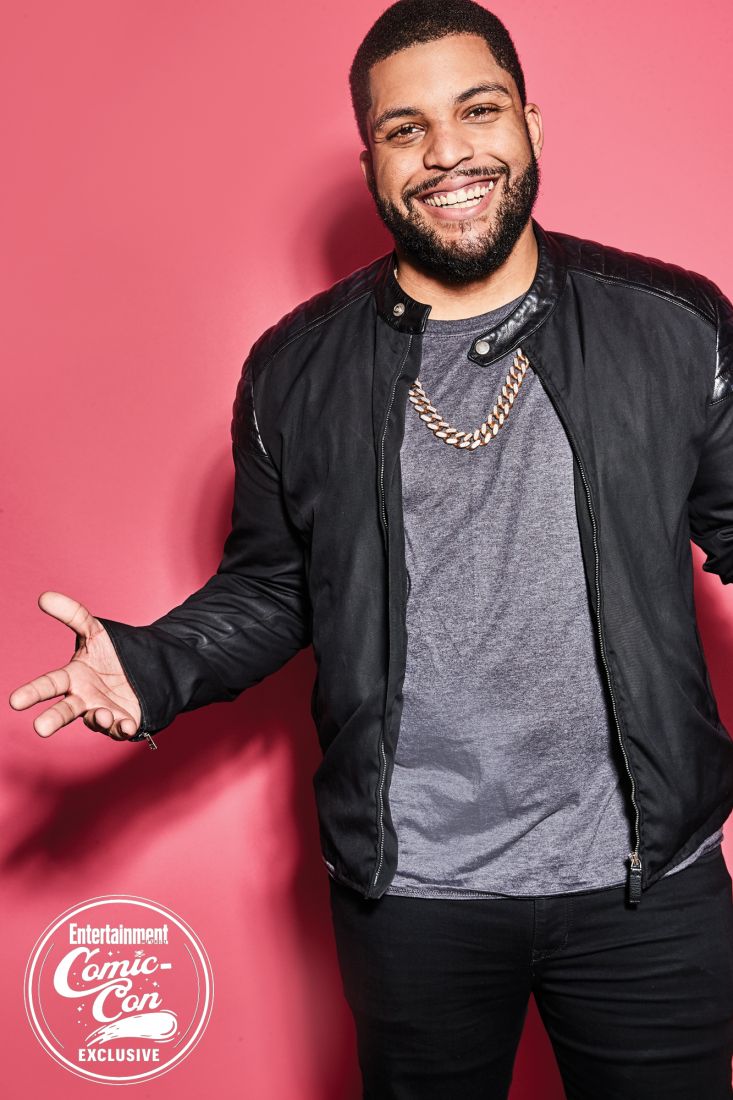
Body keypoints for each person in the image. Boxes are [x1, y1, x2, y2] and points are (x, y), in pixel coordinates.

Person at [9, 0, 733, 1095]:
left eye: (477, 111)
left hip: (650, 885)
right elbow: (275, 585)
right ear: (371, 163)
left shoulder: (672, 325)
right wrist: (153, 665)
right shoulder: (294, 372)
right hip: (411, 896)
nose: (447, 151)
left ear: (530, 124)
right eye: (406, 128)